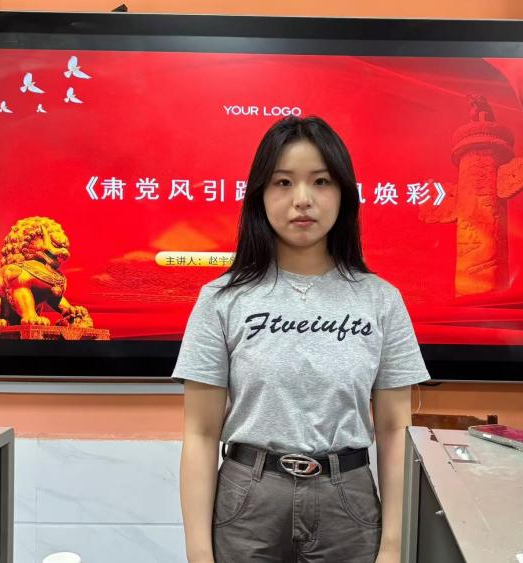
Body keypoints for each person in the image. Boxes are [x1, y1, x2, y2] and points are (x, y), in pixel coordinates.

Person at [175, 115, 430, 562]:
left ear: (343, 193)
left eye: (321, 181)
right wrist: (199, 554)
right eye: (283, 182)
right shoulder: (221, 300)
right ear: (260, 194)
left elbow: (394, 430)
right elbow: (200, 433)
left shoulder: (381, 300)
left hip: (348, 503)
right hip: (248, 501)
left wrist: (393, 546)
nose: (303, 199)